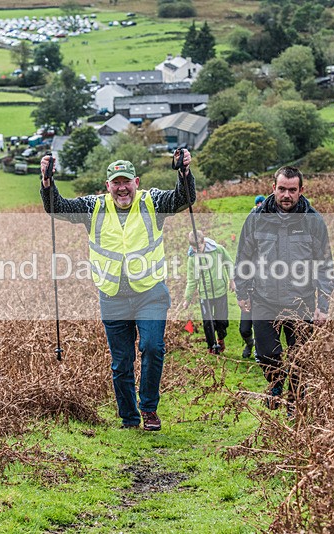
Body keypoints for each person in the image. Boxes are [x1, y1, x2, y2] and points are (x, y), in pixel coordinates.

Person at [40, 151, 195, 431]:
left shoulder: (152, 201)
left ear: (136, 182)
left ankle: (148, 408)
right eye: (116, 183)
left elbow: (183, 199)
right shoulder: (94, 207)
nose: (122, 188)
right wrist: (47, 181)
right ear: (107, 185)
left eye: (127, 182)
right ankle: (129, 417)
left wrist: (183, 172)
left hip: (150, 292)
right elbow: (56, 207)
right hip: (112, 295)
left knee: (152, 347)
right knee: (121, 362)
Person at [235, 166, 333, 415]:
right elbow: (243, 258)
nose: (286, 195)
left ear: (301, 190)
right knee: (267, 354)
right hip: (264, 299)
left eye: (292, 190)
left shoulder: (313, 222)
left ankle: (295, 404)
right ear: (273, 188)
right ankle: (276, 385)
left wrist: (323, 306)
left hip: (301, 302)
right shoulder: (256, 219)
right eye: (282, 189)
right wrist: (242, 292)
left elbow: (325, 265)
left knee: (301, 358)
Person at [183, 230, 235, 354]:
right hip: (204, 294)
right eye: (193, 248)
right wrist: (187, 299)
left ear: (204, 242)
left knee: (221, 320)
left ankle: (221, 338)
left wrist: (232, 280)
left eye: (198, 247)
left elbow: (229, 264)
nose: (196, 250)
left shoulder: (218, 250)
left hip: (220, 292)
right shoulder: (192, 259)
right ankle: (211, 346)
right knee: (208, 322)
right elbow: (191, 279)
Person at [238, 195, 266, 359]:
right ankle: (250, 343)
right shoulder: (252, 218)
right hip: (249, 291)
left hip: (263, 293)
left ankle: (259, 352)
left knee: (261, 326)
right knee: (244, 329)